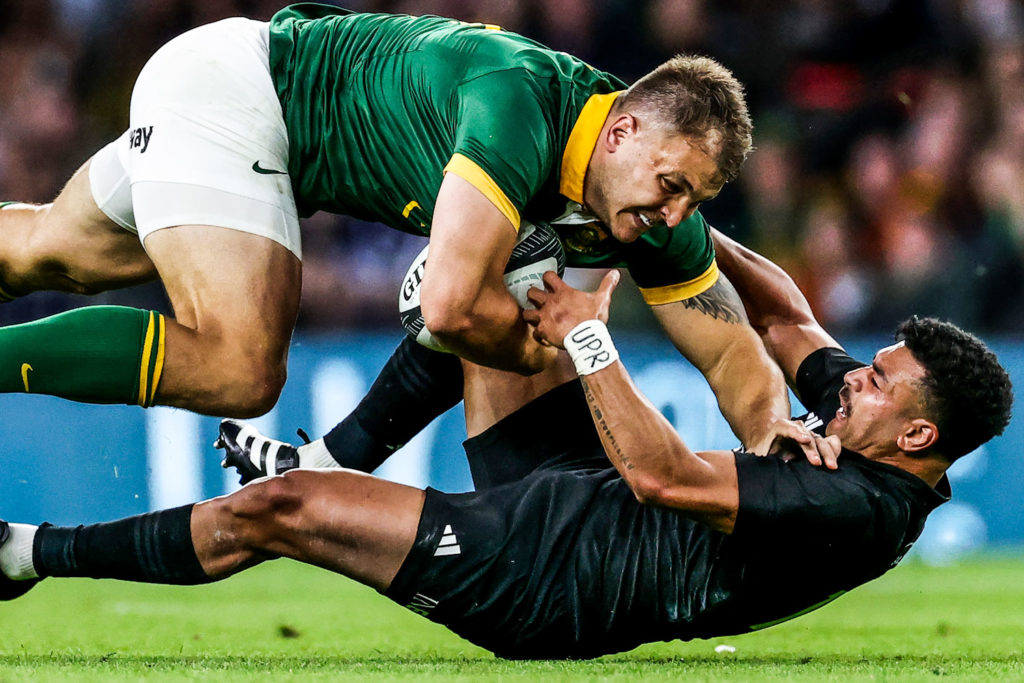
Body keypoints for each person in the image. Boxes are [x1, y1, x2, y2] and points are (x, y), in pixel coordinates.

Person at [0, 237, 1011, 660]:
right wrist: (684, 230)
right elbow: (789, 321)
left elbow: (661, 472)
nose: (852, 381)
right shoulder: (858, 422)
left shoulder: (861, 507)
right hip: (574, 498)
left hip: (555, 580)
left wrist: (590, 331)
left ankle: (25, 551)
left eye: (876, 382)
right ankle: (334, 451)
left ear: (917, 436)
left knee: (281, 514)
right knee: (508, 295)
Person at [0, 4, 790, 457]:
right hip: (243, 101)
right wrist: (538, 342)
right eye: (673, 186)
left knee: (46, 252)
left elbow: (728, 348)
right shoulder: (519, 106)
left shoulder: (642, 205)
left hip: (229, 96)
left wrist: (774, 443)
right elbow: (446, 307)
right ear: (623, 134)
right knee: (239, 365)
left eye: (697, 198)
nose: (678, 215)